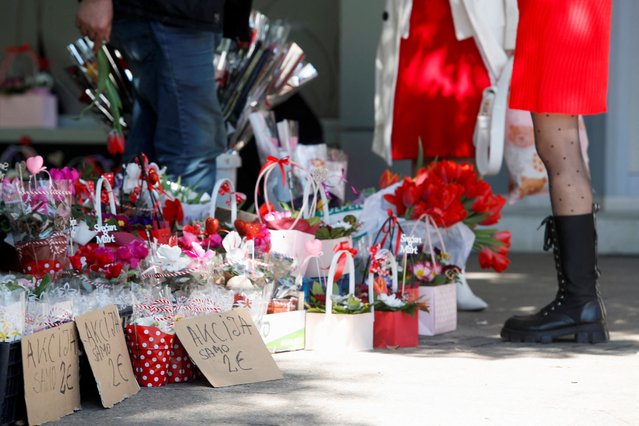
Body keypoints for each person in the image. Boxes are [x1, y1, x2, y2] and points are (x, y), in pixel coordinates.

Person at [500, 0, 612, 343]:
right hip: (567, 15)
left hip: (557, 15)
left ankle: (579, 302)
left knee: (559, 148)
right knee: (560, 147)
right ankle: (580, 301)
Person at [75, 0, 229, 193]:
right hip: (172, 17)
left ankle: (136, 217)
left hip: (178, 17)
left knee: (148, 154)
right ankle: (185, 221)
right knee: (191, 154)